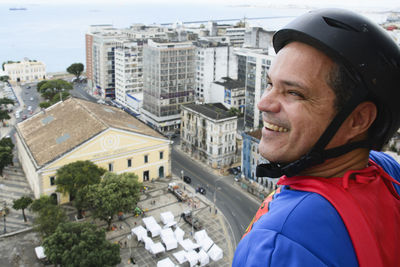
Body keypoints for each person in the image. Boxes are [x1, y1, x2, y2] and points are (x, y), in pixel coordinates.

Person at [232, 8, 400, 267]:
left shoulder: (279, 244)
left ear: (358, 120)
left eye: (294, 93)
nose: (263, 103)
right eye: (269, 84)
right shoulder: (387, 173)